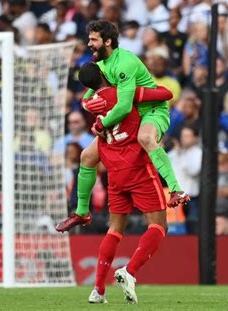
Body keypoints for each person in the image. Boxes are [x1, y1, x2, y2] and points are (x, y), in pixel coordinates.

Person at [57, 20, 189, 231]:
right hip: (128, 116)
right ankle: (82, 212)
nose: (89, 43)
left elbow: (127, 106)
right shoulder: (100, 65)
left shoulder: (124, 63)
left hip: (151, 110)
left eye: (93, 39)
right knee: (86, 157)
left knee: (145, 138)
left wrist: (101, 123)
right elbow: (87, 97)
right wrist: (88, 105)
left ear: (107, 41)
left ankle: (175, 189)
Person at [71, 62, 175, 305]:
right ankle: (130, 270)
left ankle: (97, 289)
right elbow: (165, 94)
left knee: (115, 228)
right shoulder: (122, 94)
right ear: (103, 74)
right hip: (137, 167)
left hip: (114, 171)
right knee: (159, 225)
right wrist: (137, 87)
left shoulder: (89, 104)